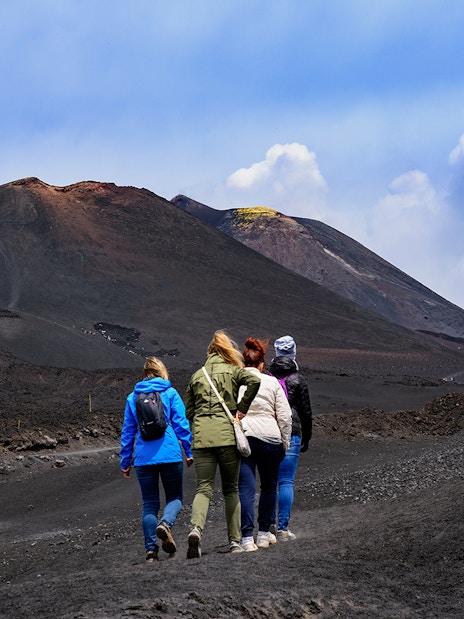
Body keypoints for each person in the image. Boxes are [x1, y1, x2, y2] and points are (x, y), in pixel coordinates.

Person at [185, 330, 261, 558]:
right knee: (230, 489)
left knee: (203, 488)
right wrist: (241, 409)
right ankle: (235, 541)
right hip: (227, 437)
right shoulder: (233, 370)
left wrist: (199, 425)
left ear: (209, 353)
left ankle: (196, 530)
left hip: (201, 439)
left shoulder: (197, 375)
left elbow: (189, 411)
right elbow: (254, 380)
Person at [120, 357, 193, 563]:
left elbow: (128, 432)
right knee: (175, 498)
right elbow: (181, 424)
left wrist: (125, 462)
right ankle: (166, 524)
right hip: (170, 454)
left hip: (144, 459)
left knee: (150, 504)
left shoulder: (132, 398)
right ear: (162, 371)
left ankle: (151, 551)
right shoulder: (170, 393)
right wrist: (188, 450)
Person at [237, 337, 292, 551]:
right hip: (271, 439)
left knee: (246, 489)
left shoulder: (237, 381)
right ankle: (263, 533)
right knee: (269, 486)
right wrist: (284, 442)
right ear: (262, 364)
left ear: (244, 363)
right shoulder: (271, 382)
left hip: (246, 438)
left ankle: (246, 538)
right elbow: (285, 416)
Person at [268, 335, 312, 541]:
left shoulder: (266, 378)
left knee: (269, 481)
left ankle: (267, 526)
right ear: (293, 353)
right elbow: (306, 412)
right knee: (285, 482)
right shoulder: (298, 380)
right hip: (291, 433)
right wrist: (307, 437)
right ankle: (283, 529)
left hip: (268, 433)